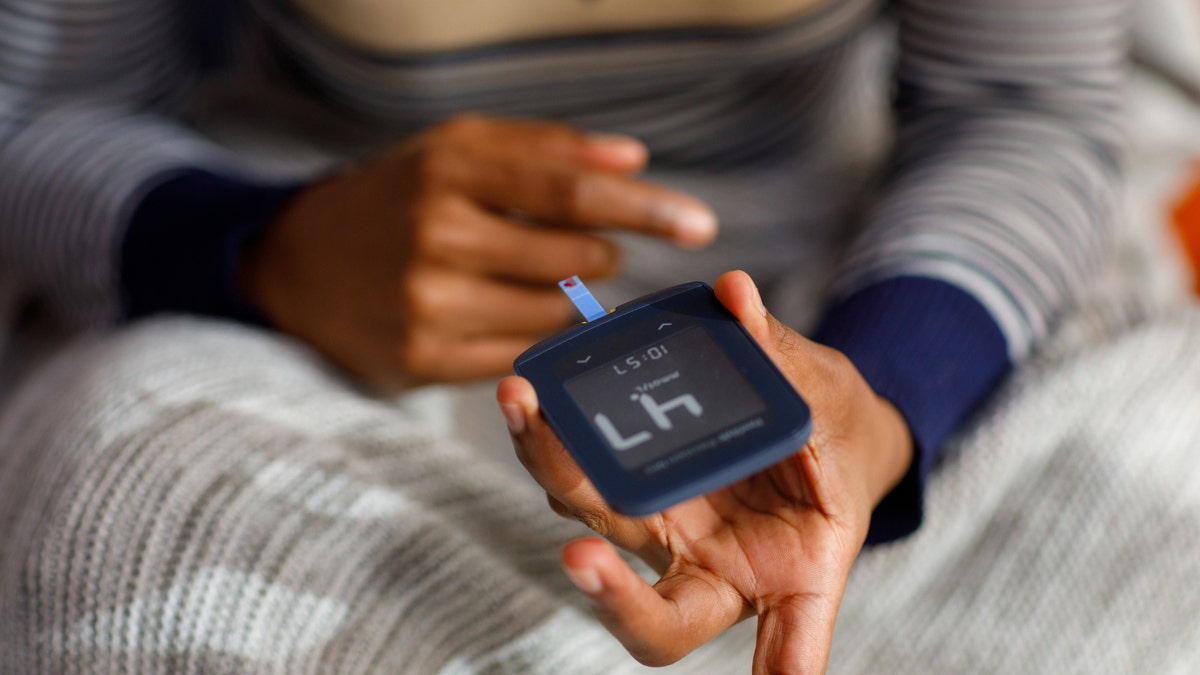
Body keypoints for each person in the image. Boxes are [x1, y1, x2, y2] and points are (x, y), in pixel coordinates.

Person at [4, 0, 1198, 673]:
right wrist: (266, 247)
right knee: (123, 551)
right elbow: (43, 116)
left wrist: (878, 409)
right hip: (309, 298)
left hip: (872, 285)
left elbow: (1018, 109)